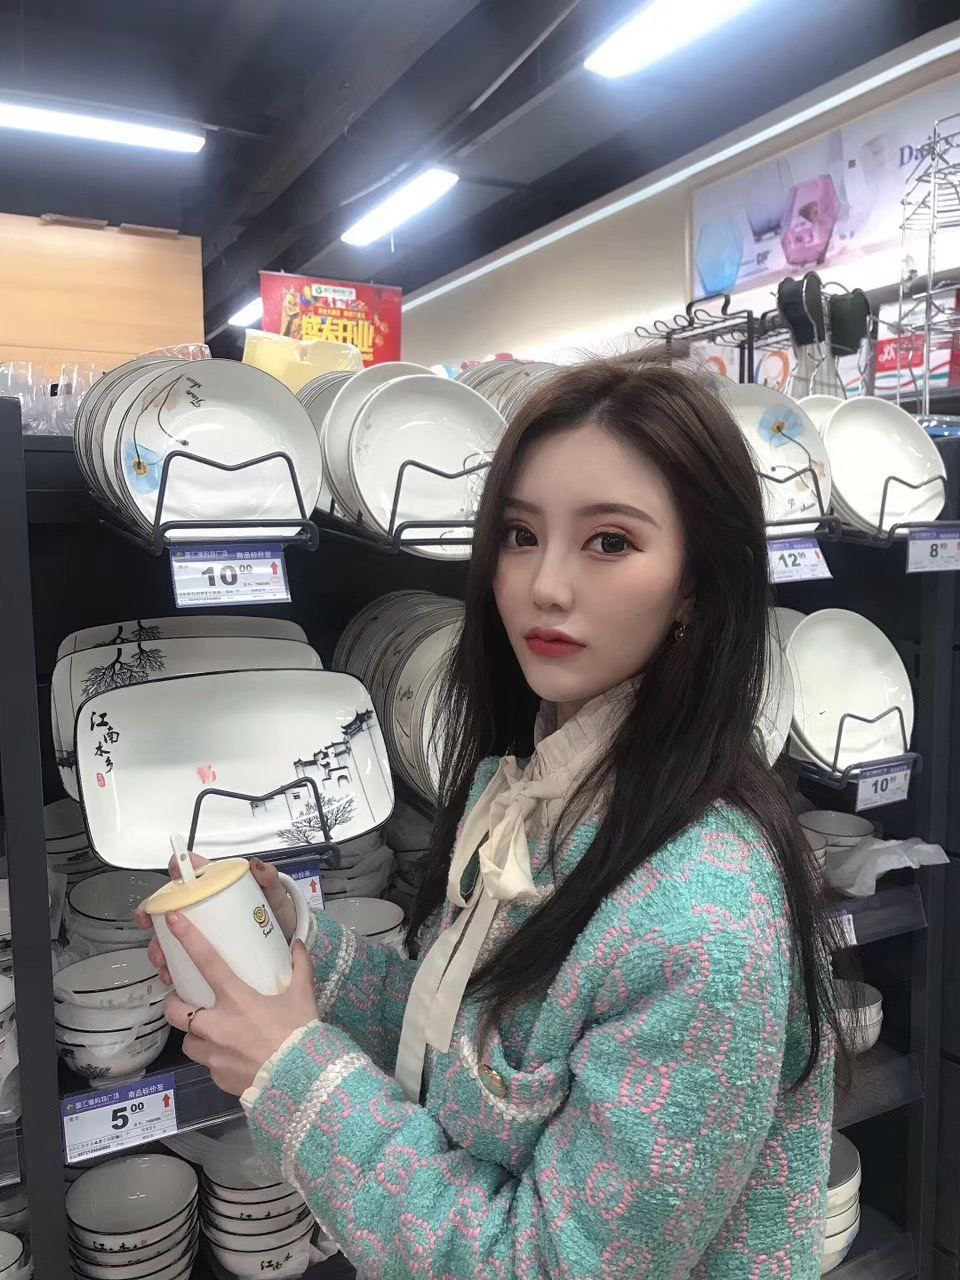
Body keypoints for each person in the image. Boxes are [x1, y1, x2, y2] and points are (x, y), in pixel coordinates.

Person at [144, 355, 839, 1278]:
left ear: (698, 586)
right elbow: (478, 1055)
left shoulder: (703, 919)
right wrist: (302, 946)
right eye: (519, 533)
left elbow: (545, 1263)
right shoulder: (534, 791)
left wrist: (292, 1071)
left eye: (609, 542)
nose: (544, 584)